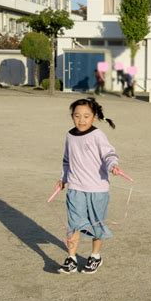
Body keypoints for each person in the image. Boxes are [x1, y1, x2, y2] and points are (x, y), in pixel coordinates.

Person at [57, 98, 123, 274]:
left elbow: (109, 154)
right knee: (73, 224)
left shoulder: (98, 135)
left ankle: (95, 256)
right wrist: (63, 178)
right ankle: (71, 258)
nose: (81, 120)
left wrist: (112, 165)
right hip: (75, 187)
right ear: (72, 117)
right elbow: (66, 160)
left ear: (94, 117)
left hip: (97, 189)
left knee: (96, 225)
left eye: (86, 116)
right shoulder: (69, 135)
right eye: (77, 116)